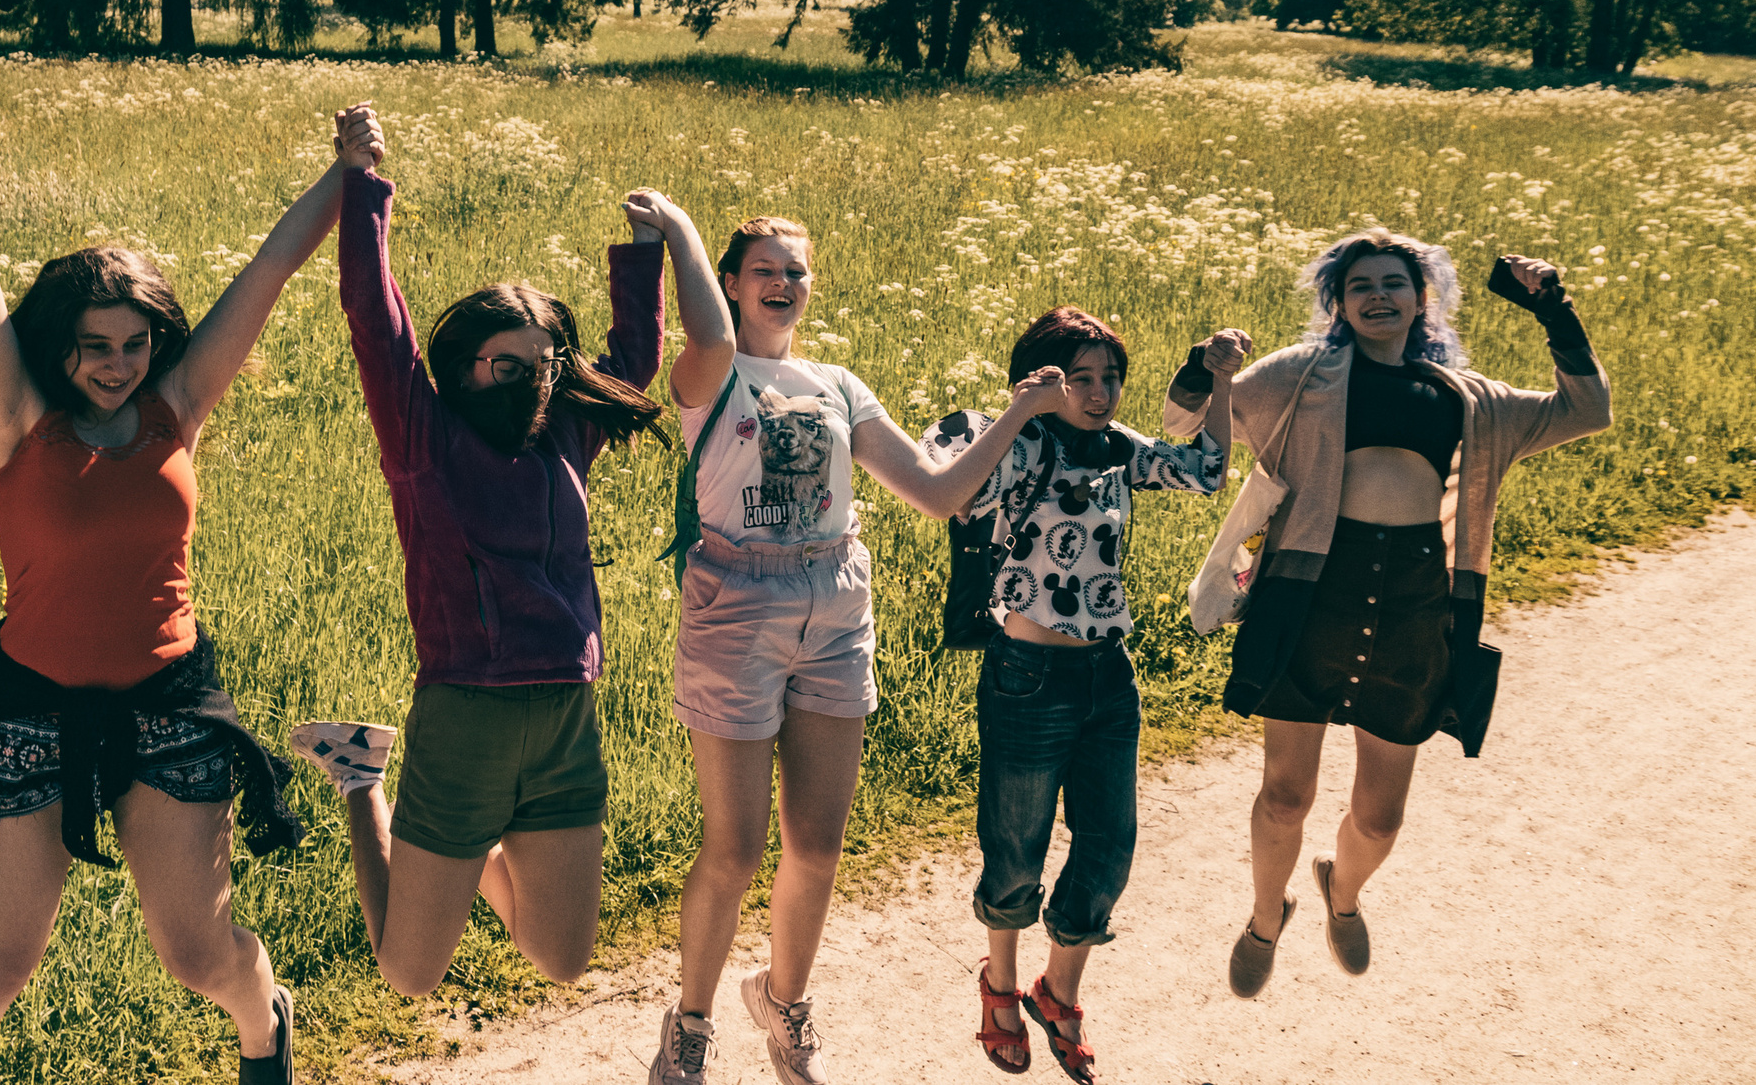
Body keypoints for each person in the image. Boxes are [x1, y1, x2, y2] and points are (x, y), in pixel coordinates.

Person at [0, 98, 387, 1085]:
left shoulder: (175, 410)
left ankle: (266, 1032)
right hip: (27, 704)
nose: (115, 366)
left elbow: (266, 273)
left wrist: (349, 173)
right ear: (57, 346)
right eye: (92, 346)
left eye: (132, 344)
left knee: (198, 956)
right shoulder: (15, 422)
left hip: (167, 701)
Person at [644, 219, 1139, 1085]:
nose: (784, 282)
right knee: (734, 848)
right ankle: (691, 1020)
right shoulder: (711, 376)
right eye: (764, 269)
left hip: (834, 606)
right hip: (737, 606)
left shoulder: (837, 384)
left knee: (818, 845)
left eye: (797, 269)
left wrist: (1022, 408)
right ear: (730, 282)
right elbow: (707, 334)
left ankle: (785, 1005)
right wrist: (682, 232)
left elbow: (939, 491)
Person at [1160, 232, 1609, 999]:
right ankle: (1266, 916)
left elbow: (1586, 408)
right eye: (1359, 283)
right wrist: (1205, 367)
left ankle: (1343, 889)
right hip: (1308, 600)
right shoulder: (1300, 378)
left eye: (1393, 283)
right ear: (1337, 301)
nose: (1377, 295)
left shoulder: (1469, 398)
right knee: (1285, 795)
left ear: (1420, 297)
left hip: (1418, 612)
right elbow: (1183, 428)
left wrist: (1555, 311)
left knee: (1379, 819)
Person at [287, 131, 667, 1001]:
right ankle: (359, 776)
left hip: (566, 717)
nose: (528, 381)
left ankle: (465, 846)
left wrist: (644, 255)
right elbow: (375, 324)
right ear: (465, 367)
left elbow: (632, 367)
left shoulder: (569, 433)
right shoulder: (424, 441)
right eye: (507, 364)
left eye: (545, 364)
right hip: (464, 713)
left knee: (563, 956)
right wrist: (363, 185)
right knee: (410, 972)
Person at [920, 309, 1246, 1081]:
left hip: (1109, 673)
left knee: (1108, 847)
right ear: (1040, 375)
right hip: (1025, 676)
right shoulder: (1008, 436)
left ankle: (1057, 989)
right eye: (1082, 377)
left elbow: (1204, 469)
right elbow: (953, 491)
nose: (1100, 393)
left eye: (1110, 377)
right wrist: (1020, 408)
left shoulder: (1116, 449)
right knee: (1017, 846)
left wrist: (1223, 383)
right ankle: (999, 984)